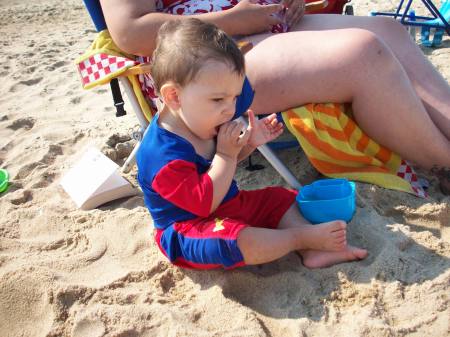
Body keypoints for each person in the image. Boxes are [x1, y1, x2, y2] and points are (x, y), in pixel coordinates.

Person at [136, 18, 367, 269]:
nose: (230, 109)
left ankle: (313, 252)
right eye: (218, 99)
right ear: (174, 96)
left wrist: (248, 145)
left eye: (234, 97)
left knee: (277, 198)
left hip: (227, 205)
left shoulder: (199, 117)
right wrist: (225, 154)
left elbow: (221, 167)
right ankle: (298, 239)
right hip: (189, 228)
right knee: (234, 241)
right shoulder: (161, 156)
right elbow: (204, 203)